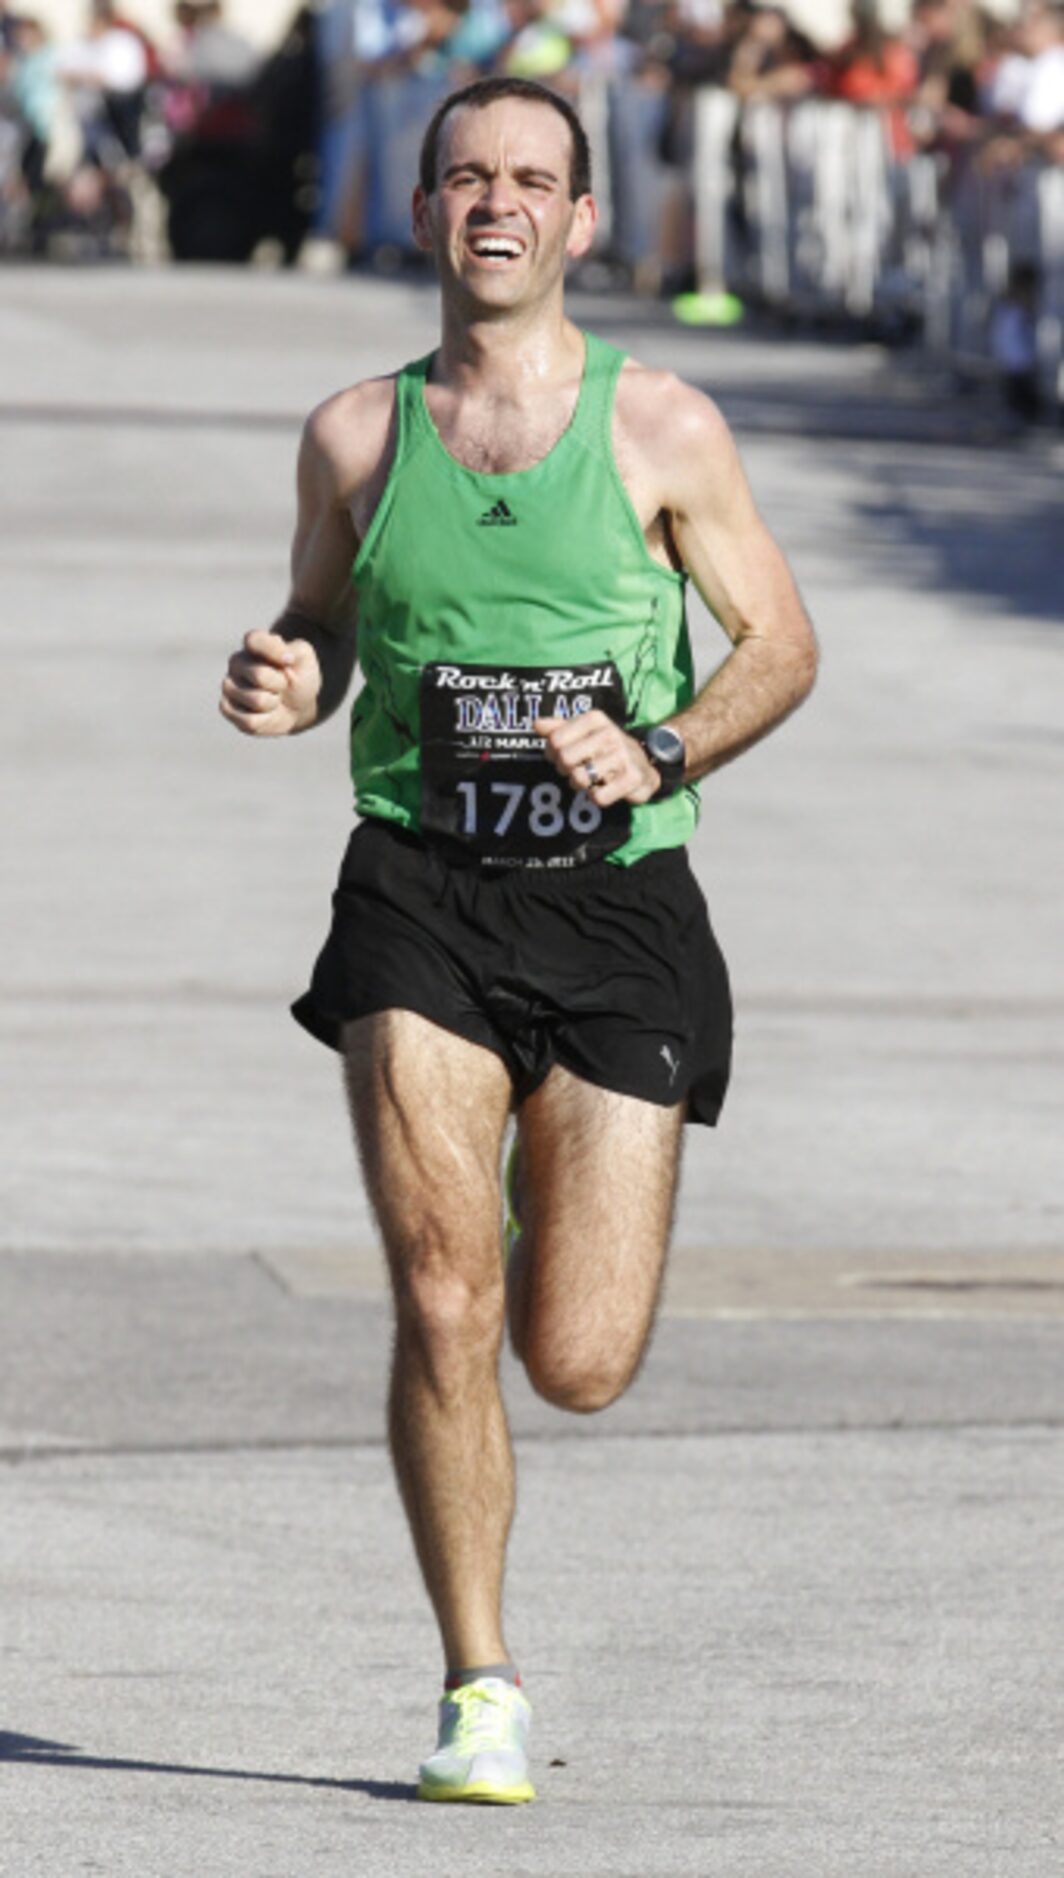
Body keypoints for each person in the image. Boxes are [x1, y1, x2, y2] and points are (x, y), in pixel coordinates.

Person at [219, 73, 817, 1805]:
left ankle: (553, 1161)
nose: (498, 203)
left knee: (579, 1357)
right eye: (466, 177)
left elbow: (780, 645)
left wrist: (662, 744)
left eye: (533, 180)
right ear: (419, 216)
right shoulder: (352, 434)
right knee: (439, 1291)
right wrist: (286, 674)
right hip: (417, 891)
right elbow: (318, 625)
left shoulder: (666, 430)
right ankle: (479, 1682)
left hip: (621, 903)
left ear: (582, 219)